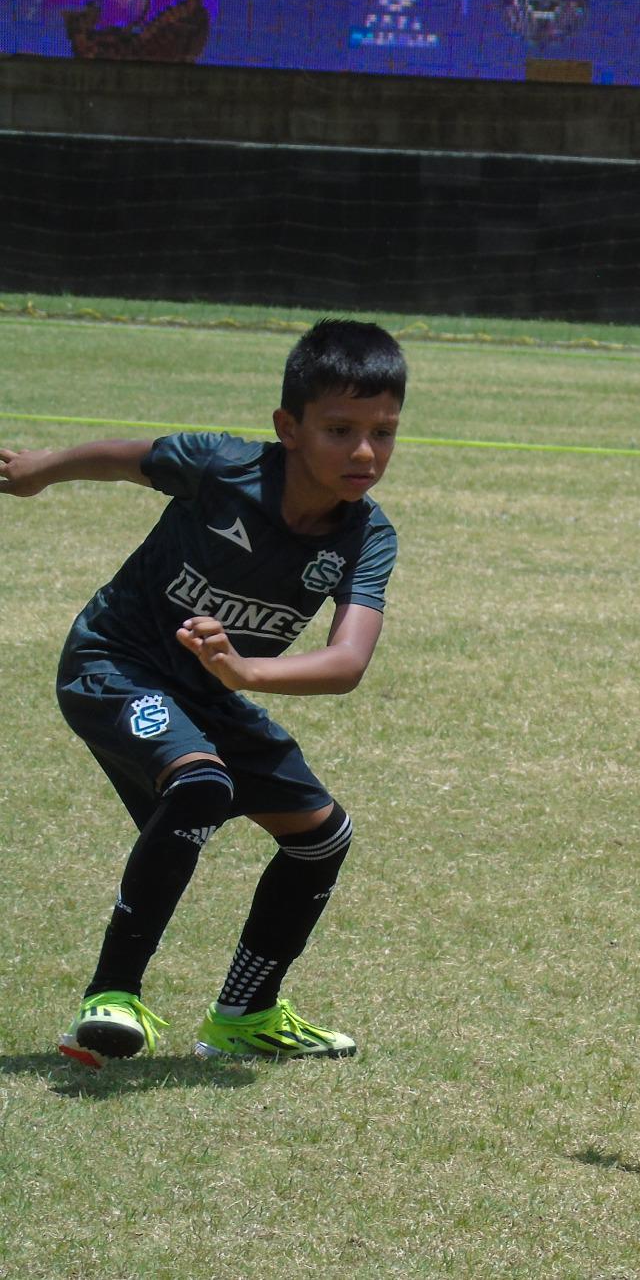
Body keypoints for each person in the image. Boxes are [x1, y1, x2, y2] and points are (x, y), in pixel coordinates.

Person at [0, 318, 405, 1067]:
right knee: (201, 784)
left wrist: (247, 674)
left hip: (211, 691)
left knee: (321, 836)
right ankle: (111, 994)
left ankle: (245, 1014)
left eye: (383, 431)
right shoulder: (222, 468)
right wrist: (40, 469)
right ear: (288, 427)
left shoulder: (366, 536)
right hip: (113, 662)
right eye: (340, 428)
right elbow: (128, 457)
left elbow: (347, 661)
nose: (364, 452)